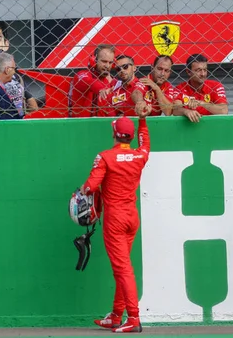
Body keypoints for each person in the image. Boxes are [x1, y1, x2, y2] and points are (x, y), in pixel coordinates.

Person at [80, 104, 152, 334]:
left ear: (114, 133)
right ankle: (116, 315)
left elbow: (91, 186)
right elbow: (146, 145)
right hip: (132, 217)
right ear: (129, 136)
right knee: (124, 268)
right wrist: (143, 121)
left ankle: (133, 318)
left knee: (123, 270)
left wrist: (82, 190)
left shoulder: (105, 157)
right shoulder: (140, 155)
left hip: (115, 220)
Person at [174, 53, 228, 121]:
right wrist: (186, 112)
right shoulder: (179, 88)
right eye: (198, 70)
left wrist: (201, 103)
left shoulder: (216, 86)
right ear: (188, 72)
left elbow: (223, 111)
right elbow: (175, 109)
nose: (203, 74)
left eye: (205, 70)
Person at [68, 44, 117, 118]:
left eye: (110, 63)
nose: (107, 66)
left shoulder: (110, 82)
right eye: (104, 61)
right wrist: (100, 89)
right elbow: (89, 82)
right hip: (81, 125)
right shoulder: (82, 75)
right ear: (94, 60)